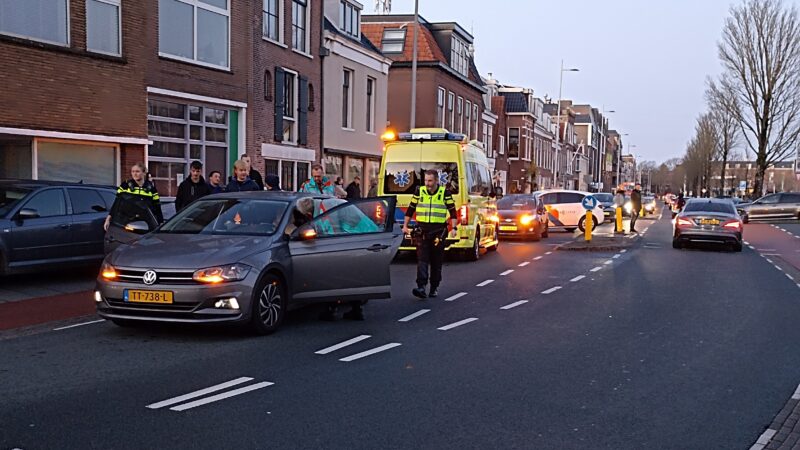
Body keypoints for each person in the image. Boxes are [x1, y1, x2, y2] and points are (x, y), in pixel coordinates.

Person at [402, 170, 458, 299]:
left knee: (436, 260)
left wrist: (454, 228)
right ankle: (421, 286)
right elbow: (411, 208)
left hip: (438, 230)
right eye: (426, 180)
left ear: (436, 181)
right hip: (422, 229)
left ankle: (434, 287)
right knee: (422, 259)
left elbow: (452, 212)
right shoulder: (419, 191)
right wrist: (405, 226)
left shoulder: (444, 193)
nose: (427, 183)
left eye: (430, 181)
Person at [104, 162, 163, 231]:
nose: (135, 174)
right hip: (126, 222)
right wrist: (108, 219)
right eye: (133, 171)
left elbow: (157, 206)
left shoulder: (151, 188)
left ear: (144, 173)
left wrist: (160, 223)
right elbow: (117, 203)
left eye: (137, 171)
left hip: (145, 224)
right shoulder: (125, 185)